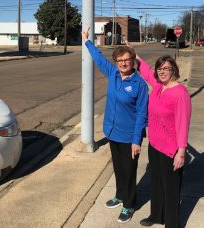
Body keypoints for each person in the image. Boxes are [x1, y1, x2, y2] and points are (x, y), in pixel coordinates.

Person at [81, 29, 148, 224]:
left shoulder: (139, 84)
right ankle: (119, 195)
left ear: (133, 60)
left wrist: (137, 140)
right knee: (118, 168)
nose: (123, 64)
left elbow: (142, 114)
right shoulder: (113, 73)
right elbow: (99, 58)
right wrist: (87, 41)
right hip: (112, 132)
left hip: (129, 136)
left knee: (129, 172)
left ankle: (129, 203)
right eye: (119, 61)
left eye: (127, 60)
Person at [135, 54, 191, 228]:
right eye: (160, 69)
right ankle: (156, 216)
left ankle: (172, 223)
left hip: (171, 150)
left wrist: (181, 152)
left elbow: (183, 124)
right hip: (155, 144)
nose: (162, 72)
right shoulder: (159, 86)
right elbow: (146, 71)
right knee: (156, 184)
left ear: (174, 69)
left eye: (166, 68)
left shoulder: (180, 94)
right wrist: (135, 55)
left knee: (171, 190)